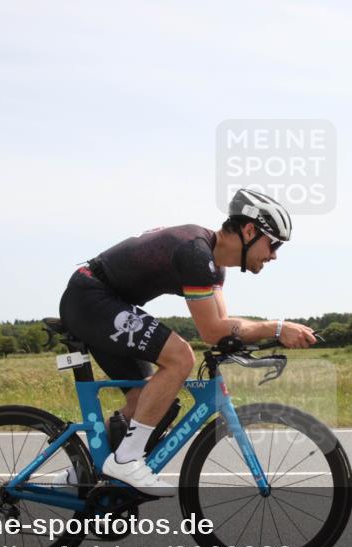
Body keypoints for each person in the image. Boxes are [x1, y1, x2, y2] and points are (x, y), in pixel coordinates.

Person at [55, 188, 317, 496]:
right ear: (249, 230)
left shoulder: (213, 265)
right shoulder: (196, 252)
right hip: (91, 299)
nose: (273, 255)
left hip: (105, 304)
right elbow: (211, 331)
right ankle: (125, 461)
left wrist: (263, 335)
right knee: (180, 357)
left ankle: (82, 474)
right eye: (273, 244)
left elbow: (225, 327)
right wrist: (276, 328)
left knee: (147, 400)